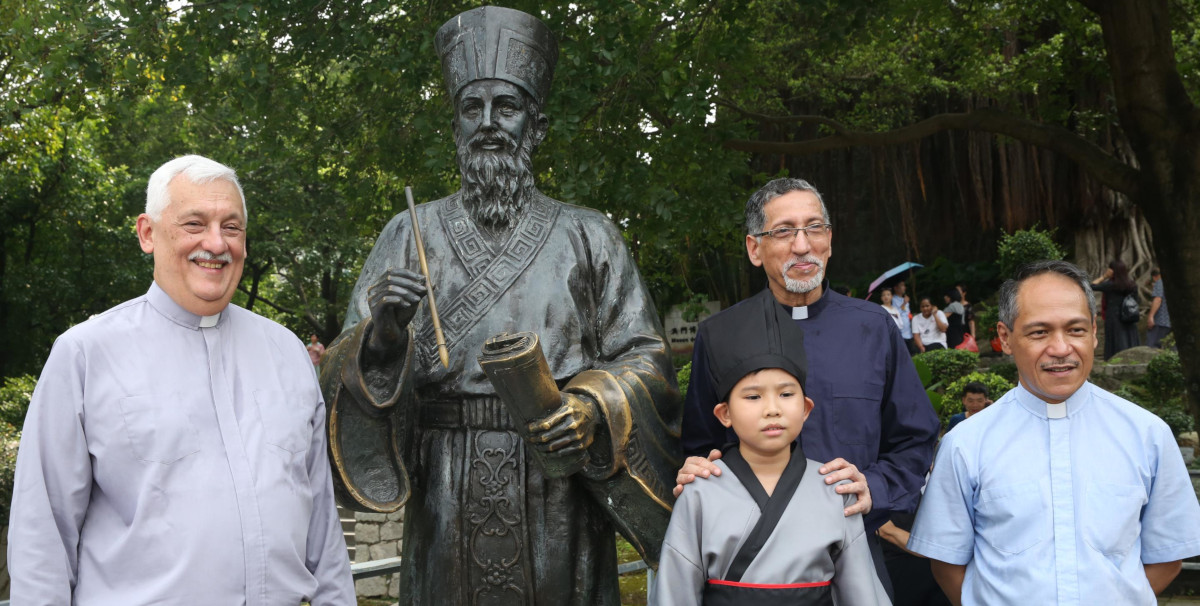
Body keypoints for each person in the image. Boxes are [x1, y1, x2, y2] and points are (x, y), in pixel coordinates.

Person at [317, 7, 680, 604]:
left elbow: (645, 358)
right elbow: (342, 375)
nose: (488, 123)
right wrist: (380, 340)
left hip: (557, 484)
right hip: (446, 491)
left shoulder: (589, 235)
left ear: (534, 126)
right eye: (471, 108)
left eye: (506, 107)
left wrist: (589, 408)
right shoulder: (409, 233)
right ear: (455, 125)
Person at [6, 155, 355, 604]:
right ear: (148, 233)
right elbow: (43, 533)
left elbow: (322, 523)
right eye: (195, 223)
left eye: (232, 227)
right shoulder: (86, 354)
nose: (216, 242)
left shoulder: (285, 352)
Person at [677, 177, 940, 597]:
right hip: (748, 569)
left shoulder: (873, 329)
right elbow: (699, 444)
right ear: (754, 248)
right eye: (783, 231)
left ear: (829, 240)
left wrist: (875, 486)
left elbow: (915, 437)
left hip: (855, 553)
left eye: (814, 228)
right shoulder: (720, 335)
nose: (802, 246)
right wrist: (697, 468)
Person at [908, 260, 1200, 605]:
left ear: (1094, 330)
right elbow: (946, 562)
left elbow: (1167, 555)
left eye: (1075, 330)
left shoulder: (1147, 434)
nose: (1061, 348)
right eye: (1039, 332)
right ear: (1005, 337)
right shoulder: (966, 443)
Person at [653, 312, 888, 605]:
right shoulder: (701, 490)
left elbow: (861, 593)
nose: (772, 409)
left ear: (805, 408)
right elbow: (676, 593)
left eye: (787, 394)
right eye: (753, 397)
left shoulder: (836, 489)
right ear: (724, 414)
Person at [1091, 259, 1140, 359]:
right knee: (1129, 336)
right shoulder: (1131, 284)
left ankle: (1115, 358)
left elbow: (1092, 286)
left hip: (1114, 315)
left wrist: (1104, 277)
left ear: (1113, 270)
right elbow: (1136, 300)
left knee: (1116, 338)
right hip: (1129, 314)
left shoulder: (1110, 285)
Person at [1147, 268, 1172, 348]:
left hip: (1160, 320)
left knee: (1152, 346)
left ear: (1154, 277)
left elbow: (1158, 299)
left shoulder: (1159, 282)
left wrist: (1151, 316)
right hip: (1170, 321)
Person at [893, 280, 918, 355]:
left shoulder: (905, 299)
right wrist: (904, 303)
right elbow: (895, 314)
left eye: (904, 285)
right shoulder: (893, 299)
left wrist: (911, 316)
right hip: (901, 332)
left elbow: (907, 313)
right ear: (896, 288)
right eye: (902, 285)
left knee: (913, 353)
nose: (904, 287)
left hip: (909, 330)